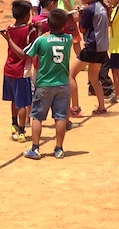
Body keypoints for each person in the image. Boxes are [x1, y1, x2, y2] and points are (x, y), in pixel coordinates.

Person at [8, 9, 72, 159]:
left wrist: (9, 40)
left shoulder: (42, 40)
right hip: (62, 84)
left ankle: (35, 148)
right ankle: (59, 149)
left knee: (37, 116)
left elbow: (24, 54)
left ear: (48, 24)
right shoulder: (68, 39)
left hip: (44, 84)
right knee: (60, 117)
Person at [0, 0, 36, 142]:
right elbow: (25, 53)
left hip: (8, 69)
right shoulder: (29, 30)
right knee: (22, 102)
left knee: (14, 100)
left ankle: (14, 124)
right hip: (22, 71)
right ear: (27, 15)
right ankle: (21, 130)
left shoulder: (9, 28)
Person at [76, 0, 110, 114]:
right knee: (94, 78)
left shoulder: (89, 9)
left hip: (92, 47)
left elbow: (82, 29)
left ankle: (75, 108)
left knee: (70, 76)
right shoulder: (100, 6)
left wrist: (80, 15)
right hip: (102, 48)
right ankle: (102, 106)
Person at [56, 0, 83, 116]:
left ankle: (80, 60)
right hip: (66, 14)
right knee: (74, 38)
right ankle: (79, 60)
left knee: (75, 38)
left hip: (66, 13)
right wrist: (73, 12)